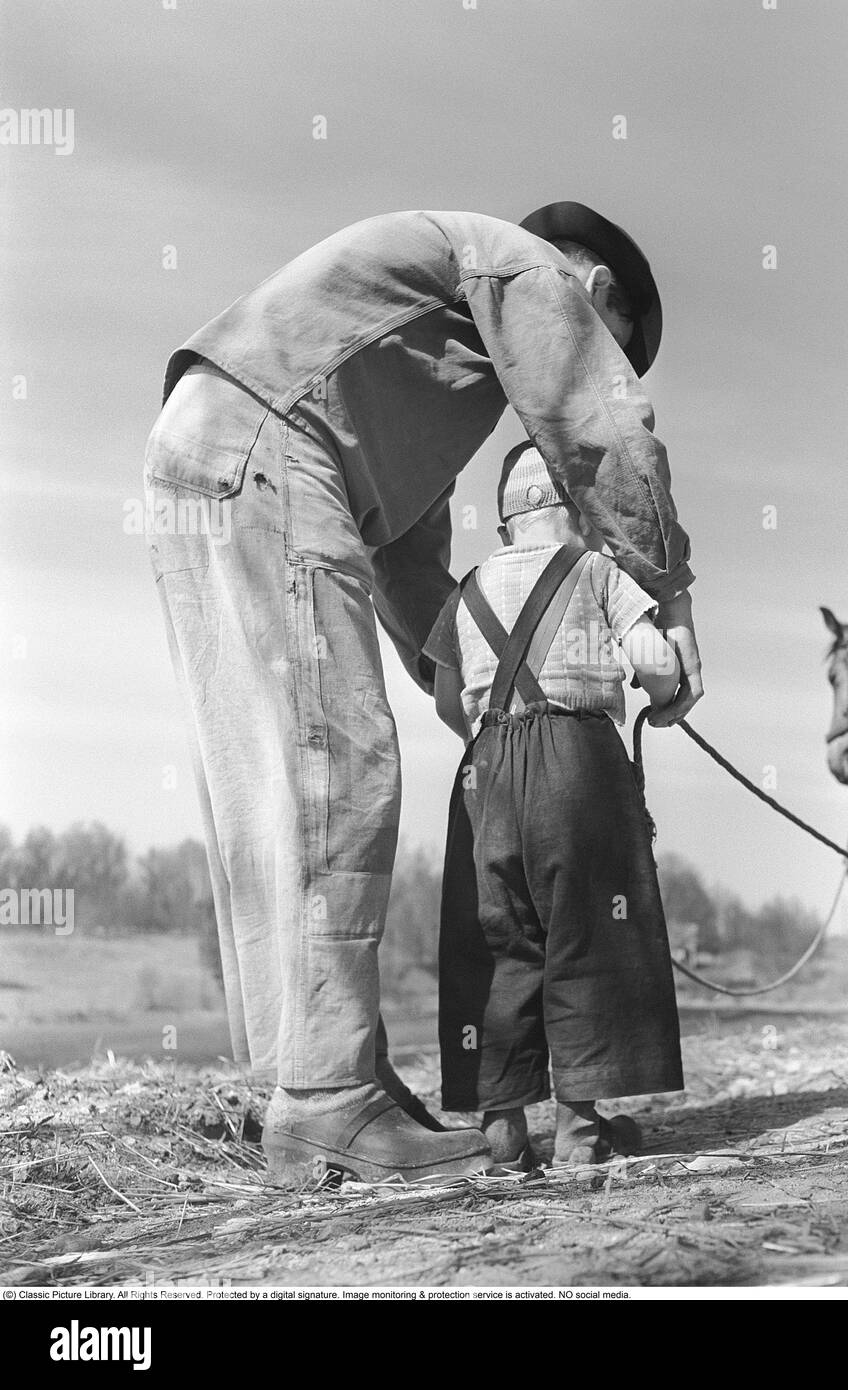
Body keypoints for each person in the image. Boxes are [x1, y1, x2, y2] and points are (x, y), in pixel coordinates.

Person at [144, 202, 702, 1183]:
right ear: (598, 292)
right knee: (340, 761)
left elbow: (406, 555)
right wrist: (669, 601)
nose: (592, 358)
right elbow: (601, 431)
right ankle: (326, 1104)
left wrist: (474, 680)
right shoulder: (531, 270)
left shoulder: (429, 372)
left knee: (275, 789)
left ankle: (313, 1076)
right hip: (272, 441)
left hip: (204, 440)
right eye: (614, 348)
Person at [423, 441, 685, 1167]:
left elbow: (449, 701)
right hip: (578, 761)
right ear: (577, 512)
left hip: (485, 768)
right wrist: (663, 700)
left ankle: (502, 1124)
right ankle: (579, 1127)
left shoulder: (468, 586)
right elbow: (656, 662)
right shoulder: (597, 569)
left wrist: (494, 740)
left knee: (494, 937)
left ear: (507, 525)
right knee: (588, 933)